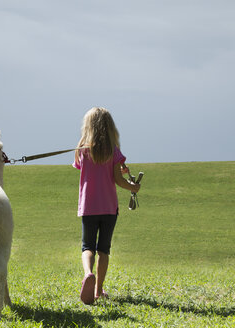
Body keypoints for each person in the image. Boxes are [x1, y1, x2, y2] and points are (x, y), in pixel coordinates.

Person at [73, 107, 141, 305]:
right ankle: (98, 290)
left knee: (87, 247)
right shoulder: (114, 151)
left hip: (88, 207)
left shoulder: (82, 150)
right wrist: (133, 187)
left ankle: (88, 274)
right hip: (109, 208)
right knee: (104, 249)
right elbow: (118, 180)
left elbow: (82, 169)